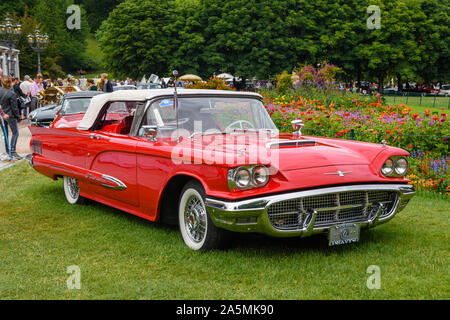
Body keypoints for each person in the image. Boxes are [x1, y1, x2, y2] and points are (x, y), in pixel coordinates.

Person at [0, 76, 21, 160]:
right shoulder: (12, 94)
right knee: (15, 133)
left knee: (5, 134)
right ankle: (13, 150)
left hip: (1, 115)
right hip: (10, 115)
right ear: (10, 83)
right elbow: (14, 107)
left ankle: (7, 150)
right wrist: (18, 117)